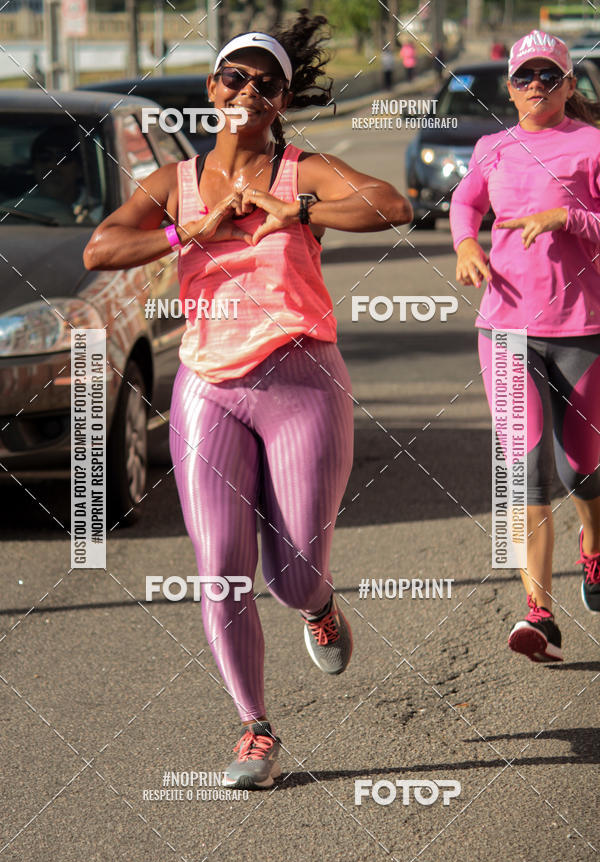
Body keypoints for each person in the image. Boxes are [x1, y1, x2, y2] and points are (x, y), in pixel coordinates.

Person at [84, 12, 412, 788]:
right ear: (213, 88)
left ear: (280, 102)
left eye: (266, 85)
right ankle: (253, 731)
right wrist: (191, 233)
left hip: (303, 381)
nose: (248, 91)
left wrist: (297, 213)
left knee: (291, 573)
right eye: (235, 76)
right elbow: (101, 248)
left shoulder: (305, 169)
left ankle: (318, 605)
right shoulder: (178, 184)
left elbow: (393, 206)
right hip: (208, 390)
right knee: (221, 572)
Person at [450, 30, 600, 663]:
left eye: (548, 76)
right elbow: (464, 201)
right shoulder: (492, 148)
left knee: (580, 469)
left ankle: (593, 551)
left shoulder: (592, 145)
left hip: (584, 330)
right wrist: (465, 244)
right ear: (508, 87)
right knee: (525, 471)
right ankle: (539, 612)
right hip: (506, 330)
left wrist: (567, 218)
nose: (535, 86)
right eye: (523, 77)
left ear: (569, 86)